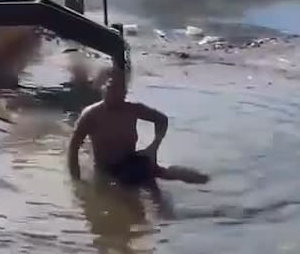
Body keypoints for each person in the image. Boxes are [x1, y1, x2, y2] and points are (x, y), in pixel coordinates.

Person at [66, 66, 209, 186]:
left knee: (195, 180)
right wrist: (76, 182)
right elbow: (73, 148)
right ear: (103, 90)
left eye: (120, 90)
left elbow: (161, 119)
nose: (115, 93)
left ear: (125, 92)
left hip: (132, 163)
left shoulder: (133, 110)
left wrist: (154, 146)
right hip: (108, 172)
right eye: (111, 88)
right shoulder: (91, 114)